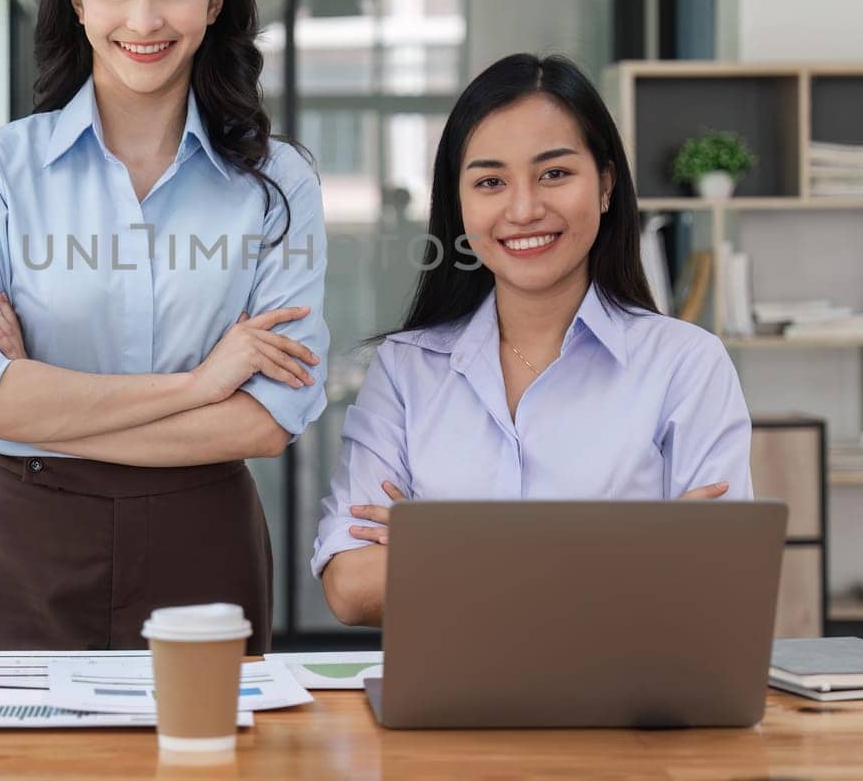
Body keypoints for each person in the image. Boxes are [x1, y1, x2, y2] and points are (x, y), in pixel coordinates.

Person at [0, 0, 328, 651]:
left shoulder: (278, 185)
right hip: (20, 545)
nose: (144, 17)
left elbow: (269, 418)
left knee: (204, 769)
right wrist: (199, 384)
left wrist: (40, 404)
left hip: (201, 540)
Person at [312, 53, 752, 628]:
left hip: (629, 705)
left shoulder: (686, 365)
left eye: (554, 174)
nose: (523, 209)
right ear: (461, 204)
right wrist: (629, 547)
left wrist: (446, 546)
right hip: (449, 707)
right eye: (491, 182)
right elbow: (351, 587)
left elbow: (716, 578)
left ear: (606, 185)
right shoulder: (406, 369)